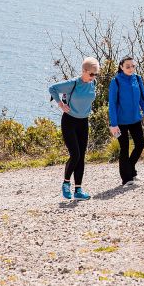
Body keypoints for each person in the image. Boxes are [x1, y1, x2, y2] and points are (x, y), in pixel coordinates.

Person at [48, 57, 99, 200]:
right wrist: (61, 104)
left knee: (81, 156)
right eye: (91, 74)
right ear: (84, 71)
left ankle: (78, 190)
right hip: (69, 121)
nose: (93, 77)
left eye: (96, 74)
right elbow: (52, 88)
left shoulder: (93, 83)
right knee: (75, 154)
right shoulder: (73, 84)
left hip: (83, 122)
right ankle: (65, 183)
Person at [109, 56, 144, 186]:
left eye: (132, 66)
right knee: (124, 148)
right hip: (120, 122)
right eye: (127, 66)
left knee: (140, 145)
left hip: (135, 119)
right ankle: (127, 178)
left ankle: (129, 169)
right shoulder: (116, 81)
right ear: (121, 67)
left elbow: (143, 100)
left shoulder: (138, 79)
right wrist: (113, 124)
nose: (130, 68)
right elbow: (112, 104)